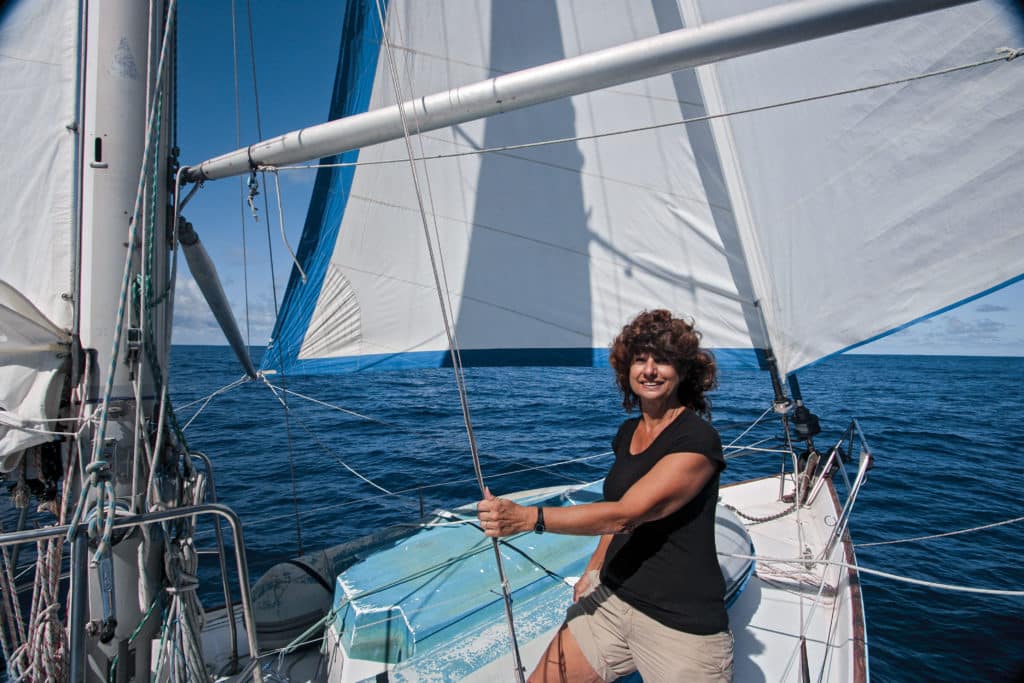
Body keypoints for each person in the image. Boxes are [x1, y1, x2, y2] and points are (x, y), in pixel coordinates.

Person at [477, 309, 733, 682]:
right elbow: (617, 518)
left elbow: (626, 514)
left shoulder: (697, 440)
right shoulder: (628, 432)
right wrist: (594, 568)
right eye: (639, 359)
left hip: (680, 626)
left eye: (662, 360)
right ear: (625, 370)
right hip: (615, 599)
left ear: (683, 372)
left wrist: (528, 518)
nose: (649, 370)